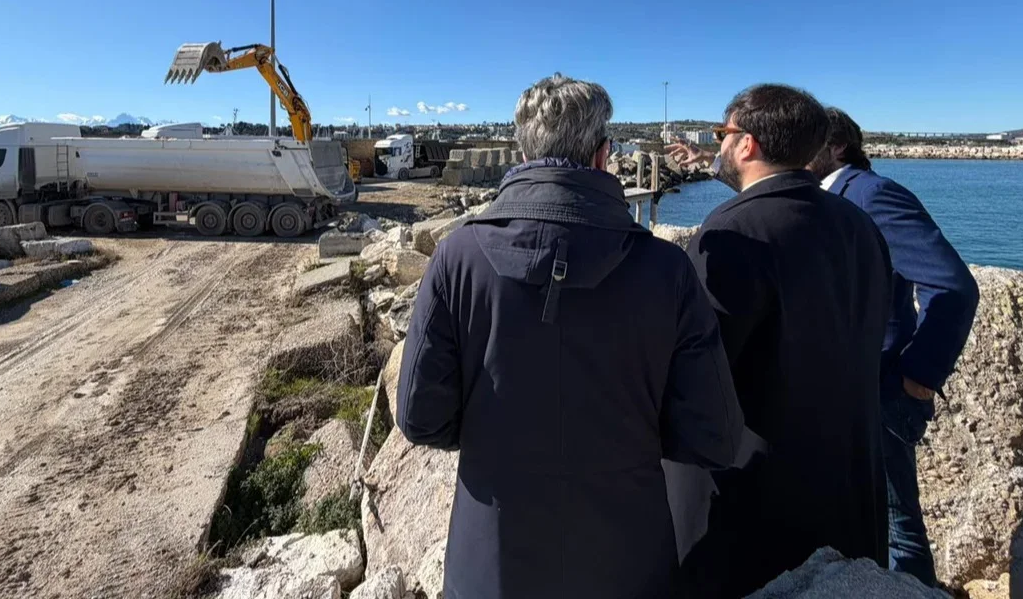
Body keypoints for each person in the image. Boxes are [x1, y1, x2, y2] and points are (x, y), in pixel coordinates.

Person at [397, 74, 744, 599]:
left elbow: (421, 419)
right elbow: (713, 432)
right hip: (629, 564)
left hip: (490, 565)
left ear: (521, 150)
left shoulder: (457, 257)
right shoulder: (668, 270)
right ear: (604, 155)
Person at [670, 84, 894, 598]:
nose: (718, 145)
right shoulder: (859, 224)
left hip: (757, 510)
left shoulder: (732, 232)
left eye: (721, 135)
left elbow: (698, 369)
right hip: (848, 488)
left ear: (746, 144)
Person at [808, 107, 980, 586]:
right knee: (862, 517)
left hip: (883, 389)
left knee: (897, 526)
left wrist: (919, 376)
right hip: (854, 386)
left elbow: (953, 286)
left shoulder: (871, 194)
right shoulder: (833, 194)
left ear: (837, 147)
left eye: (808, 140)